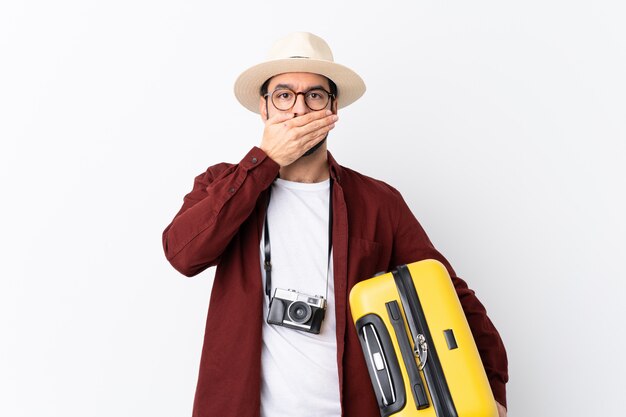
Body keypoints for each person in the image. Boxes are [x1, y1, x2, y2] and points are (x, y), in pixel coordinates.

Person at [162, 32, 508, 417]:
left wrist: (489, 388)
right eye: (283, 95)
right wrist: (262, 161)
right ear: (264, 109)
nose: (299, 110)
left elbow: (450, 294)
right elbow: (183, 254)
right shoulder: (224, 185)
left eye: (314, 95)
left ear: (333, 108)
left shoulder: (378, 202)